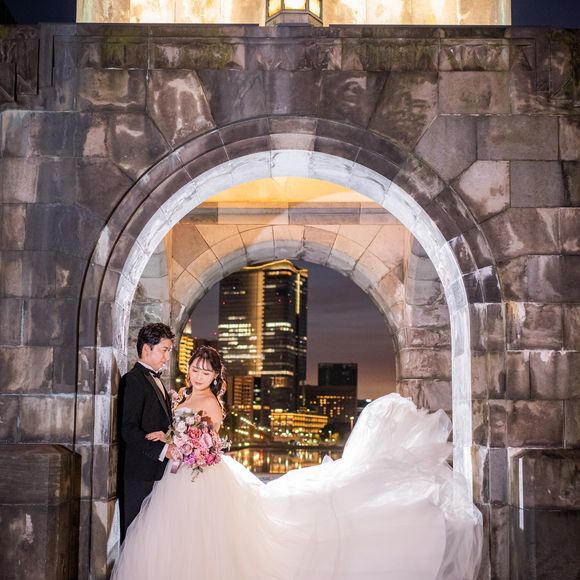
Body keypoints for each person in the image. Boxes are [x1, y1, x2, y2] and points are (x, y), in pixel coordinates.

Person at [113, 345, 482, 580]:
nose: (198, 375)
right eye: (195, 369)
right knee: (179, 534)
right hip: (177, 476)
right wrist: (168, 437)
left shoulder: (210, 402)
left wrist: (183, 445)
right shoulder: (181, 395)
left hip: (200, 476)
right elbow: (178, 429)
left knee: (210, 534)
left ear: (215, 377)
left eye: (206, 372)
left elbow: (208, 445)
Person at [117, 322, 175, 540]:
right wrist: (163, 450)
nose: (167, 357)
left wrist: (169, 438)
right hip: (138, 475)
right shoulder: (133, 380)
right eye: (164, 350)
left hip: (157, 474)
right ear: (146, 348)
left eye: (169, 351)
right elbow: (128, 429)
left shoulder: (156, 379)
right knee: (135, 539)